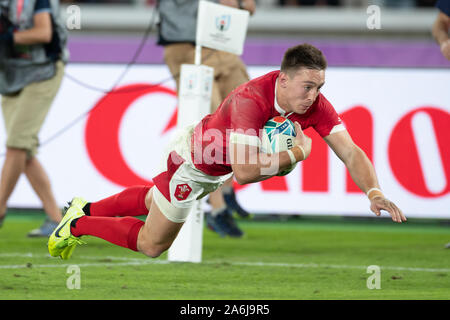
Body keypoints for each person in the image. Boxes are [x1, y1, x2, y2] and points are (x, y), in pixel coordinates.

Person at [48, 43, 406, 260]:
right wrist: (296, 154)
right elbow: (247, 172)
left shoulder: (312, 105)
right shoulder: (251, 100)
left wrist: (373, 192)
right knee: (153, 245)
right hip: (191, 165)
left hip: (212, 167)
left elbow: (350, 150)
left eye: (319, 87)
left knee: (151, 202)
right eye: (307, 86)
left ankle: (84, 207)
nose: (313, 96)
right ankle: (76, 225)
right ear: (283, 79)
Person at [157, 0, 256, 238]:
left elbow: (244, 7)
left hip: (221, 42)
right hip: (186, 45)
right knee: (209, 127)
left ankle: (228, 190)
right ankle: (218, 208)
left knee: (249, 116)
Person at [0, 0, 68, 236]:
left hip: (42, 73)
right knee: (23, 151)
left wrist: (10, 38)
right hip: (9, 76)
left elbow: (44, 32)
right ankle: (56, 219)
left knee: (17, 145)